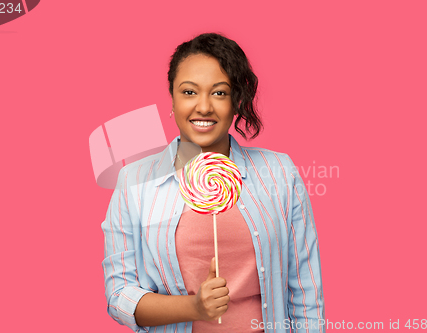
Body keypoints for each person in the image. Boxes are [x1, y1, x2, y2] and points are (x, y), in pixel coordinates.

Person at [101, 32, 325, 333]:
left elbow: (305, 290)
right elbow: (119, 297)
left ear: (236, 102)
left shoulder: (279, 173)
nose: (203, 107)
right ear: (172, 98)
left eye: (219, 93)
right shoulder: (134, 182)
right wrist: (193, 307)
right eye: (189, 92)